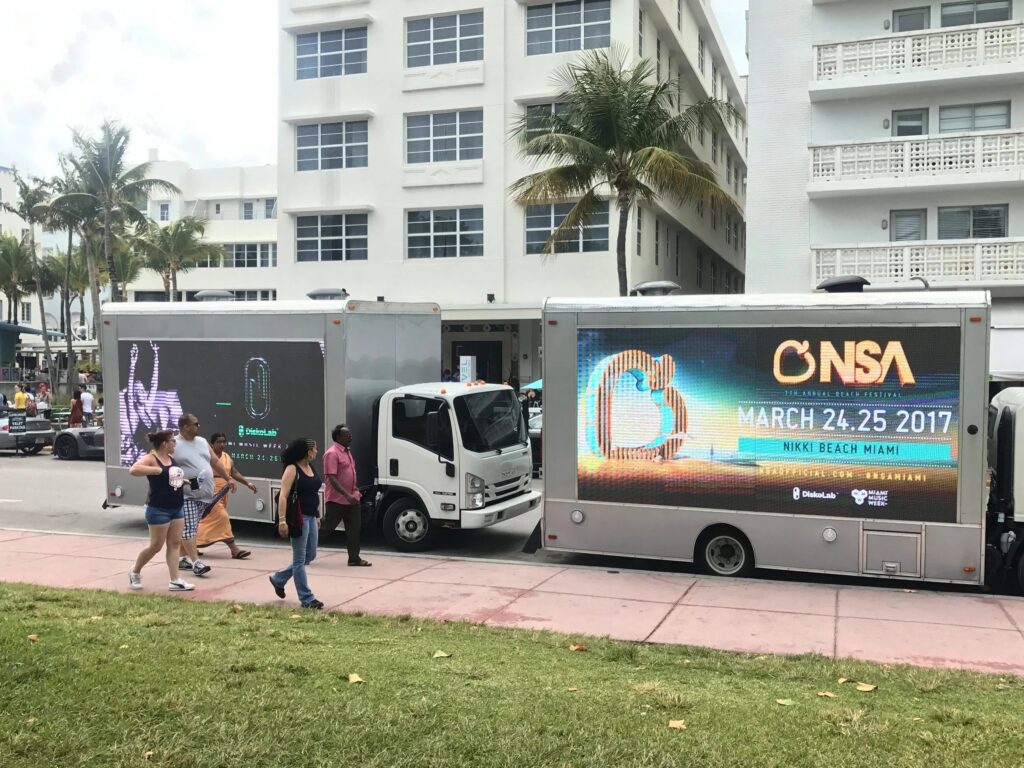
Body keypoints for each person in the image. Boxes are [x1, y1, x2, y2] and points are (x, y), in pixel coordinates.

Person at [127, 430, 194, 591]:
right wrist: (156, 470)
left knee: (175, 544)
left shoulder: (171, 459)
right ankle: (135, 571)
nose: (175, 443)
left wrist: (181, 481)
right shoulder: (152, 458)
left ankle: (175, 580)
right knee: (156, 546)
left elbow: (168, 479)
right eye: (172, 441)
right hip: (159, 510)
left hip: (177, 507)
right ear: (164, 443)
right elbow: (134, 470)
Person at [173, 413, 235, 577]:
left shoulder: (202, 442)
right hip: (186, 495)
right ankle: (196, 563)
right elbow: (166, 466)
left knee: (191, 527)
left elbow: (215, 461)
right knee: (189, 528)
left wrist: (228, 478)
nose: (198, 426)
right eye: (195, 424)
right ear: (185, 426)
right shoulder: (174, 444)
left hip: (205, 495)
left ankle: (181, 558)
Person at [269, 437, 324, 609]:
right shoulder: (292, 469)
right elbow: (283, 496)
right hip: (298, 518)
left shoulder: (310, 467)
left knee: (310, 555)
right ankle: (307, 599)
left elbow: (312, 492)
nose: (316, 452)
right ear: (307, 452)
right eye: (314, 449)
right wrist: (282, 521)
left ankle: (279, 578)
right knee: (299, 560)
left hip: (311, 516)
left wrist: (317, 515)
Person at [196, 432, 256, 559]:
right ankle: (234, 550)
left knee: (205, 521)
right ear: (211, 444)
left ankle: (190, 544)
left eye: (224, 441)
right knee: (222, 517)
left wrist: (247, 483)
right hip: (209, 494)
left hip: (223, 494)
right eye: (219, 442)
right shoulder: (206, 457)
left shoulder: (227, 457)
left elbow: (234, 472)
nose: (222, 444)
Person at [321, 424, 370, 566]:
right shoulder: (332, 453)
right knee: (326, 528)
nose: (350, 437)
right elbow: (332, 478)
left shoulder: (347, 452)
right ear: (338, 437)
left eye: (350, 435)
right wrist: (346, 495)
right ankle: (305, 547)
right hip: (337, 500)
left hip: (353, 499)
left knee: (354, 530)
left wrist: (354, 493)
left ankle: (354, 558)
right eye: (347, 435)